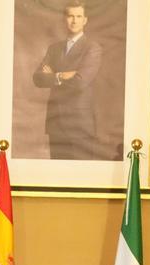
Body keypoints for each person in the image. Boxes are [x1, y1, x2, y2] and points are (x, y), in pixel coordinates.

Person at [32, 0, 103, 160]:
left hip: (80, 125)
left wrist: (52, 75)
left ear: (85, 20)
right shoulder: (54, 48)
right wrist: (61, 75)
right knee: (57, 175)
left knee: (80, 177)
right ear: (64, 19)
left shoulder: (92, 48)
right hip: (56, 123)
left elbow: (80, 82)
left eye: (78, 16)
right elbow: (37, 78)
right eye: (70, 16)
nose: (74, 20)